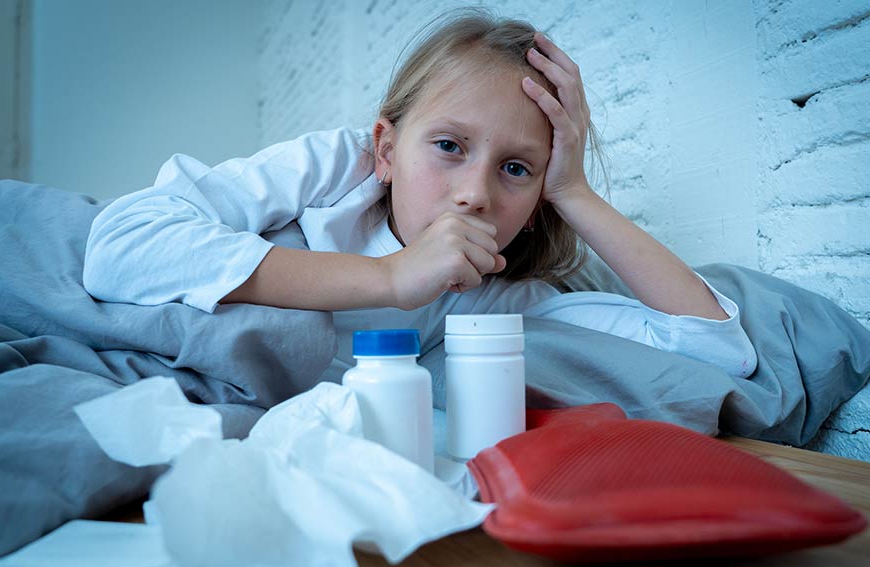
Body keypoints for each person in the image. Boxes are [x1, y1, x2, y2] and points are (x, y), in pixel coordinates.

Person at [83, 9, 756, 383]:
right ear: (385, 150)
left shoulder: (503, 297)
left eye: (517, 170)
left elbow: (718, 350)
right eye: (448, 147)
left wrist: (574, 190)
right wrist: (388, 276)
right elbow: (119, 246)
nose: (474, 195)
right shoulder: (335, 167)